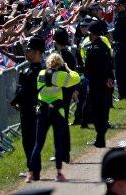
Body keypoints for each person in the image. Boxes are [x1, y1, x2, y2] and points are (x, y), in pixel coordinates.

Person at [29, 52, 81, 182]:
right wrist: (68, 68)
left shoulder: (40, 74)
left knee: (38, 144)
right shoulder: (60, 76)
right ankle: (59, 174)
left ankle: (30, 173)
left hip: (42, 110)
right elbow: (76, 78)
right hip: (57, 111)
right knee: (58, 143)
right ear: (60, 64)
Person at [11, 36, 46, 176]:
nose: (26, 52)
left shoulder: (34, 72)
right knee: (31, 140)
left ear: (37, 52)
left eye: (29, 50)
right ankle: (34, 168)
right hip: (32, 109)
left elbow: (25, 91)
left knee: (29, 140)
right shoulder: (35, 70)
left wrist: (14, 101)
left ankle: (33, 169)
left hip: (30, 109)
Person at [82, 19, 115, 148]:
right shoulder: (104, 46)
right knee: (102, 111)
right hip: (104, 84)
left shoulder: (94, 49)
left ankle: (100, 138)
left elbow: (90, 69)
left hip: (97, 84)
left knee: (97, 112)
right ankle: (100, 137)